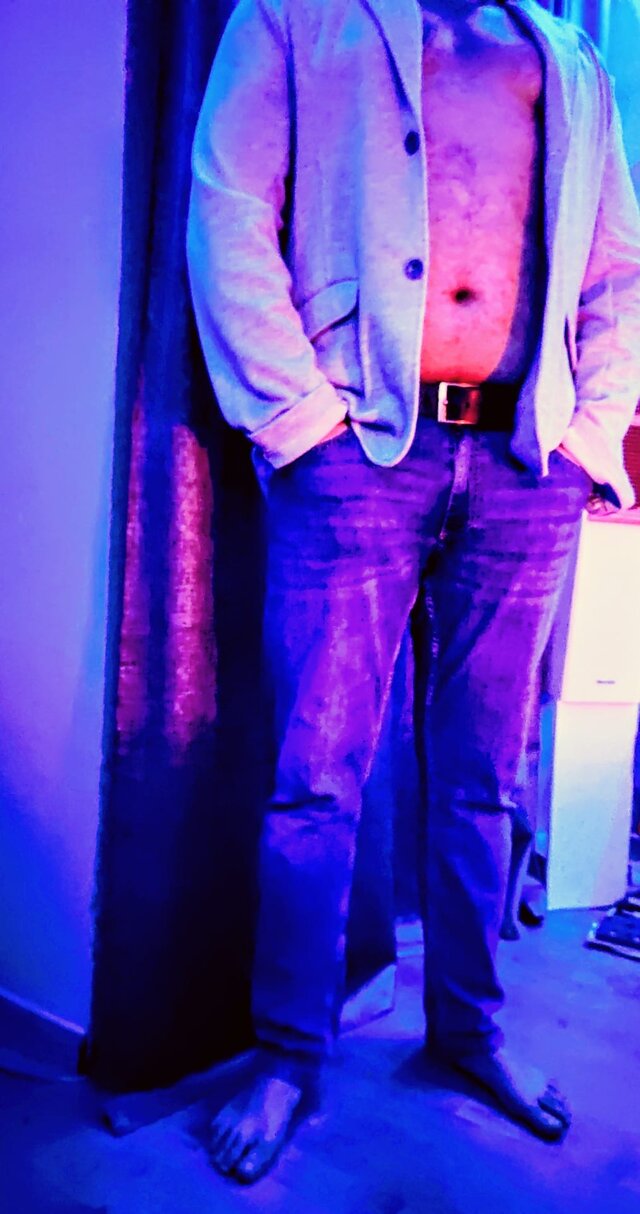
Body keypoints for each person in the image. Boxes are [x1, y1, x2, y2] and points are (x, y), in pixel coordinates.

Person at [187, 0, 640, 1184]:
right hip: (354, 449)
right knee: (315, 775)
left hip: (525, 463)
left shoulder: (568, 56)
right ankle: (287, 1052)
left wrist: (590, 436)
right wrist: (299, 422)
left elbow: (617, 273)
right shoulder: (297, 15)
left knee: (488, 778)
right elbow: (229, 210)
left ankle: (468, 1030)